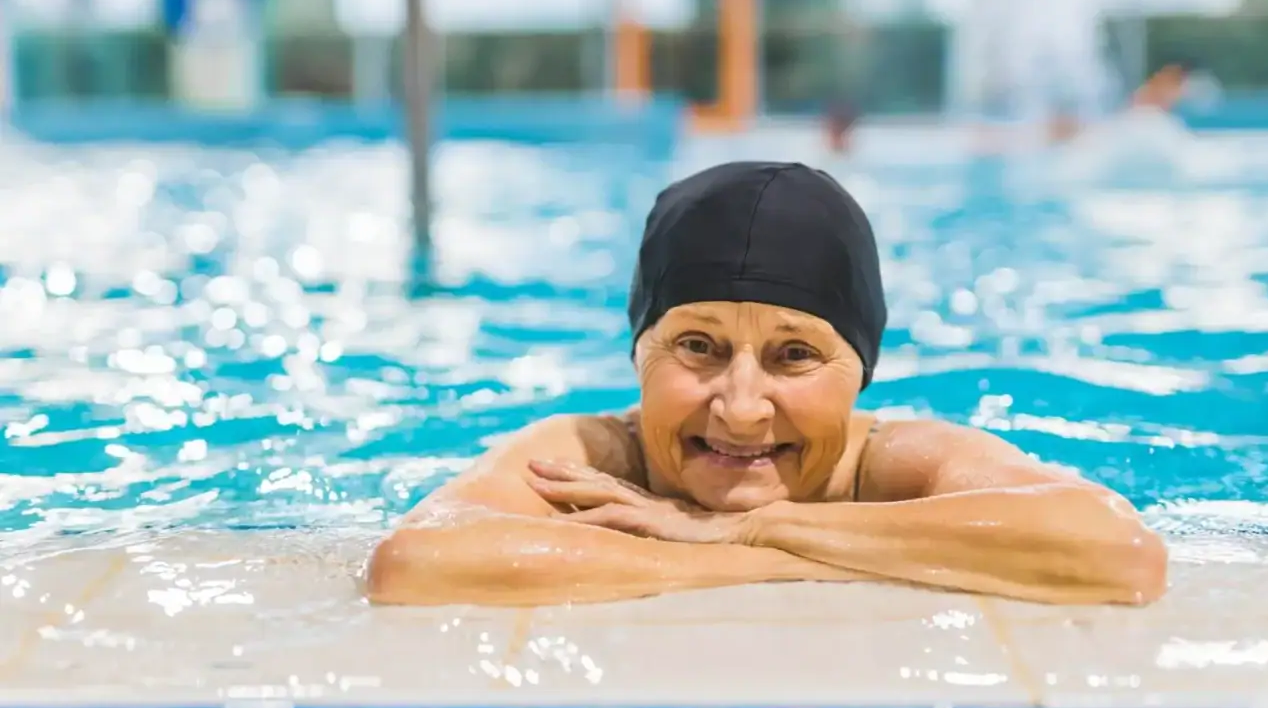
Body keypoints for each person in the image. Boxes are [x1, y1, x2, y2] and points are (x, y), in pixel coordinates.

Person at [366, 162, 1168, 608]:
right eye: (697, 346)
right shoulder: (591, 458)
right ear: (638, 354)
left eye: (793, 356)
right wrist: (757, 558)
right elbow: (415, 561)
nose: (741, 407)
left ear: (861, 373)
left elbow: (1118, 551)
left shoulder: (895, 461)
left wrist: (752, 527)